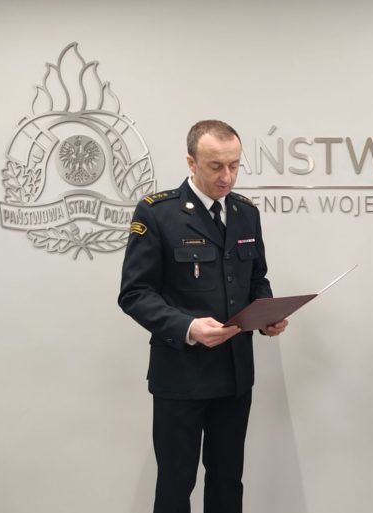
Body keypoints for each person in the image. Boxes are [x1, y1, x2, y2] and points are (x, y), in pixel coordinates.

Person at [118, 119, 287, 513]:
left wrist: (268, 313)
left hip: (234, 375)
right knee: (176, 484)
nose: (227, 176)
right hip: (181, 375)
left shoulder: (245, 213)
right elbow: (134, 293)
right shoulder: (158, 213)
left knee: (228, 480)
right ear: (191, 162)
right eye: (215, 166)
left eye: (234, 165)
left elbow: (256, 278)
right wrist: (188, 327)